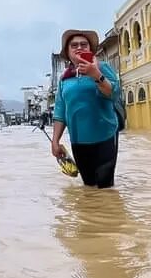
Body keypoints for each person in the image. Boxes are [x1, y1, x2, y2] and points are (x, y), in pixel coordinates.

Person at [51, 30, 121, 188]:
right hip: (79, 141)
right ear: (68, 52)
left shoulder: (102, 68)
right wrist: (55, 141)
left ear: (90, 49)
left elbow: (114, 93)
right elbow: (60, 112)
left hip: (106, 136)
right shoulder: (64, 79)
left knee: (105, 188)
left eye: (84, 44)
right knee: (89, 187)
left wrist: (96, 74)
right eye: (74, 45)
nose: (79, 48)